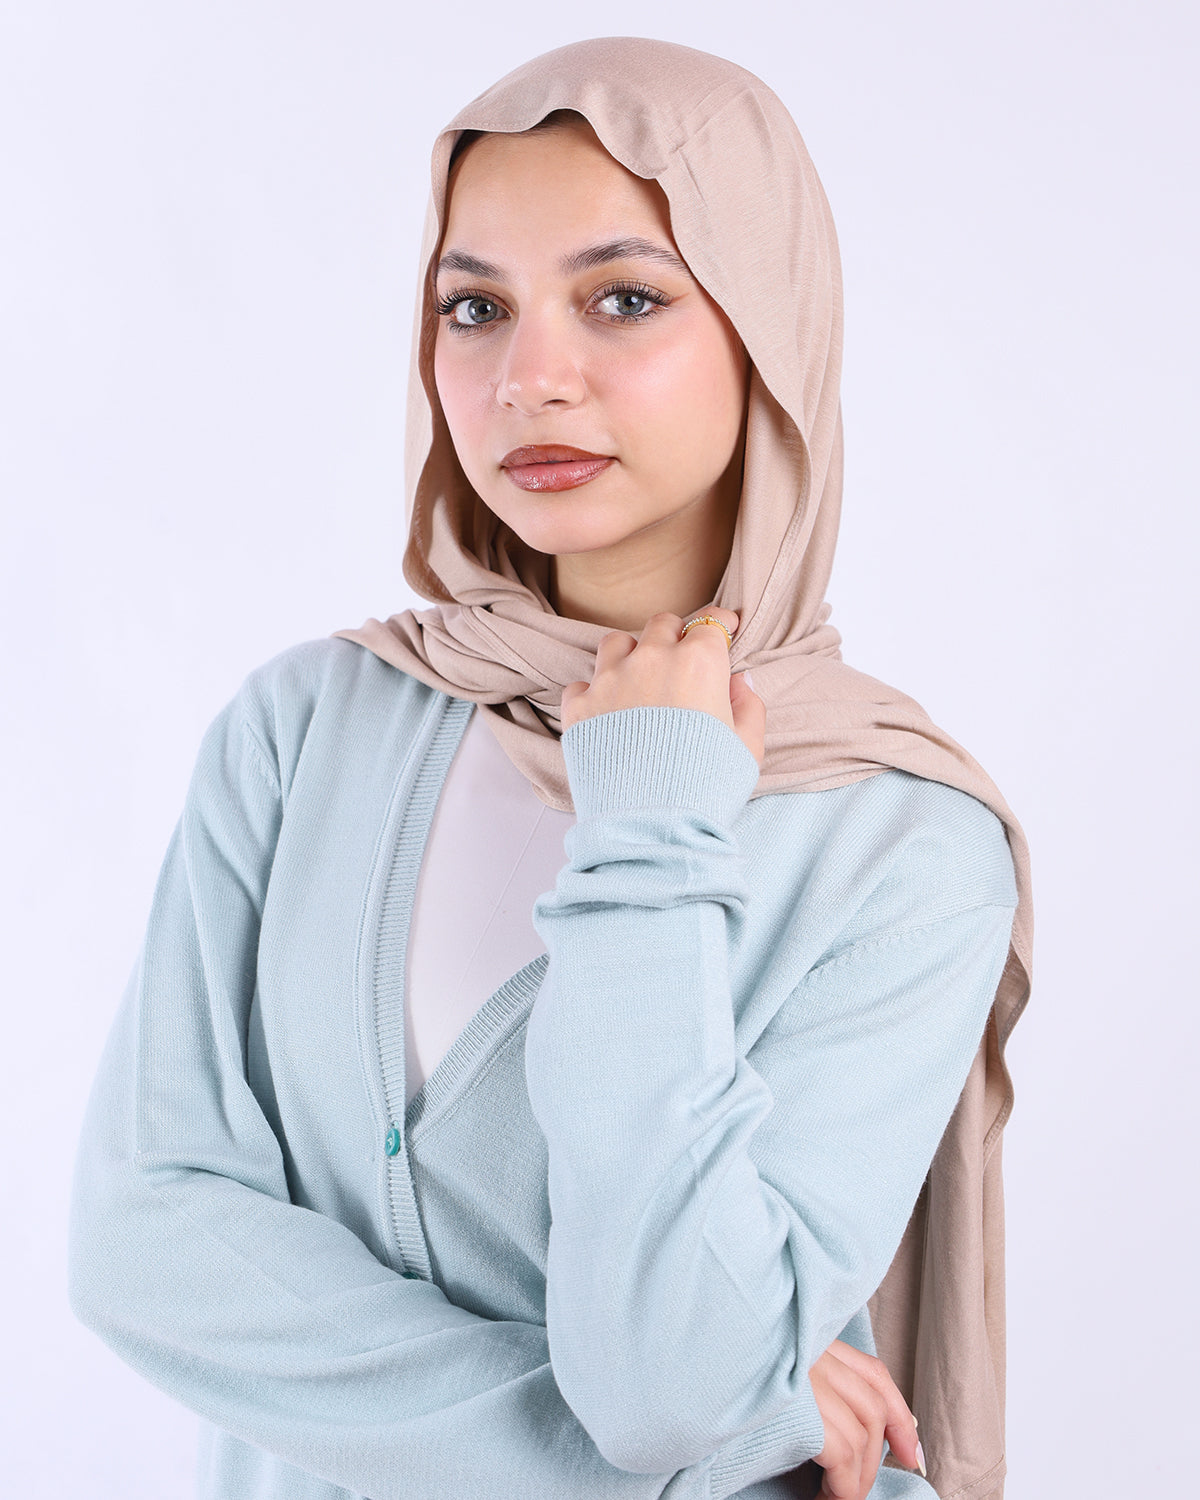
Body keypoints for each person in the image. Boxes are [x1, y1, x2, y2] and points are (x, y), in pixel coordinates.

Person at [68, 36, 1033, 1500]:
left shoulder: (902, 845)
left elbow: (664, 1389)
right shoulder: (309, 728)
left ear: (769, 323)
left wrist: (652, 820)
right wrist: (729, 1421)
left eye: (623, 298)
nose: (529, 378)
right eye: (475, 307)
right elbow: (139, 1242)